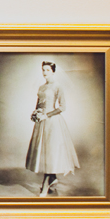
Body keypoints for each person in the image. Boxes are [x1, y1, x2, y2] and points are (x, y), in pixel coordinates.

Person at [25, 61, 79, 197]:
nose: (44, 72)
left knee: (51, 152)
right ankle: (52, 178)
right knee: (45, 152)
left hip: (53, 122)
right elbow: (38, 104)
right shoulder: (41, 87)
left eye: (47, 70)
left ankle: (45, 184)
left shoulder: (58, 86)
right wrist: (35, 114)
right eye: (43, 69)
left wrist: (46, 115)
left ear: (53, 71)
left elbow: (62, 107)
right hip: (41, 122)